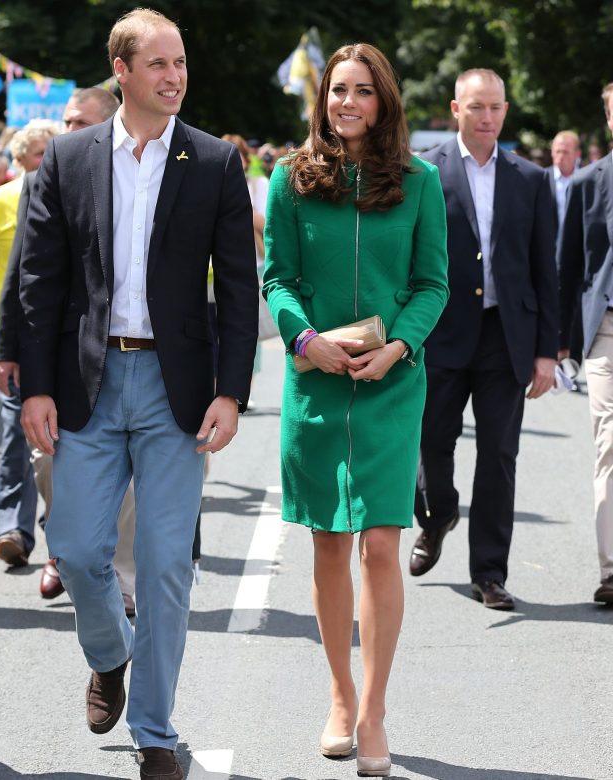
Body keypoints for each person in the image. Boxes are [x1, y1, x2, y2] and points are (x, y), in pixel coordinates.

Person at [18, 10, 258, 779]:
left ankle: (155, 731)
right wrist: (35, 386)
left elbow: (241, 290)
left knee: (162, 565)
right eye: (158, 64)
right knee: (78, 549)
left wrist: (233, 392)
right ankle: (108, 653)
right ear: (120, 70)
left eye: (180, 62)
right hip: (87, 384)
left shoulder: (214, 161)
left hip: (176, 390)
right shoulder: (68, 156)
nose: (174, 76)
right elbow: (38, 281)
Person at [263, 44, 448, 778]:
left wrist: (397, 347)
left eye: (362, 92)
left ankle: (374, 709)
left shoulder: (421, 182)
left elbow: (431, 283)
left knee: (379, 544)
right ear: (322, 98)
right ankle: (339, 695)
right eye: (337, 90)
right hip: (315, 381)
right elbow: (277, 277)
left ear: (384, 101)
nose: (347, 103)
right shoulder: (289, 178)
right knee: (328, 545)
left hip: (391, 385)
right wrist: (305, 337)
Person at [410, 68, 558, 611]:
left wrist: (548, 350)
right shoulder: (425, 172)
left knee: (498, 453)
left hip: (506, 336)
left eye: (496, 107)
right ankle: (438, 514)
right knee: (430, 444)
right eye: (477, 107)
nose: (488, 117)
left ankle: (489, 572)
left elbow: (547, 269)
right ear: (456, 109)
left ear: (505, 109)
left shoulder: (531, 178)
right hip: (441, 332)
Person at [0, 87, 139, 610]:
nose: (68, 132)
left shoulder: (136, 177)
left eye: (80, 123)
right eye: (66, 122)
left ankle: (120, 576)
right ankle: (65, 548)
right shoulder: (42, 178)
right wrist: (6, 348)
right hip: (55, 352)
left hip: (123, 353)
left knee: (125, 473)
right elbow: (22, 274)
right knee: (48, 461)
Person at [0, 121, 58, 565]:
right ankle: (13, 527)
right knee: (14, 437)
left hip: (58, 342)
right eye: (37, 156)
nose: (46, 163)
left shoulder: (74, 193)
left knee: (58, 446)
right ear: (21, 160)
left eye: (53, 153)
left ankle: (59, 534)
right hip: (8, 339)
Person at [558, 82, 613, 605]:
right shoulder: (590, 184)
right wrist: (560, 342)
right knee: (610, 446)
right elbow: (569, 265)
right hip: (607, 333)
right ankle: (612, 571)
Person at [550, 130, 581, 240]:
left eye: (565, 152)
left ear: (577, 154)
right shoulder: (542, 179)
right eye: (557, 151)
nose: (560, 156)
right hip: (551, 246)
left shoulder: (587, 180)